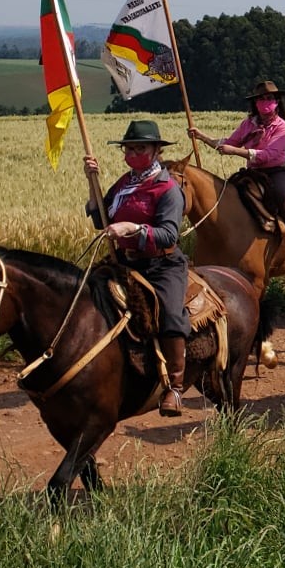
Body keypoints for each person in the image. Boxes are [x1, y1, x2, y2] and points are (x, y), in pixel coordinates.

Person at [85, 120, 190, 416]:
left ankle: (175, 387)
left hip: (161, 265)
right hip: (125, 261)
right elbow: (101, 220)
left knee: (170, 314)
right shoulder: (124, 184)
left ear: (156, 151)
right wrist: (92, 182)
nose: (132, 154)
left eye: (139, 148)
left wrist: (133, 228)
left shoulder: (168, 189)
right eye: (128, 149)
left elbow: (169, 235)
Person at [191, 81, 285, 261]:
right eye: (261, 99)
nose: (265, 102)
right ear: (255, 103)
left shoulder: (283, 128)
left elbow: (267, 155)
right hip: (253, 172)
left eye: (269, 98)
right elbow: (229, 143)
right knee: (228, 193)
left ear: (276, 101)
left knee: (283, 196)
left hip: (276, 171)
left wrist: (236, 151)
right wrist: (201, 137)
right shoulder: (248, 124)